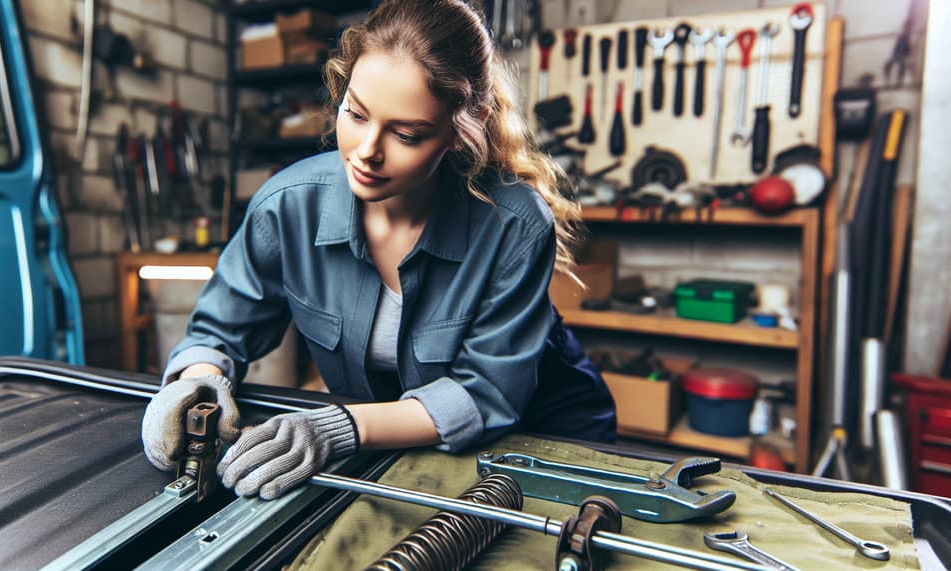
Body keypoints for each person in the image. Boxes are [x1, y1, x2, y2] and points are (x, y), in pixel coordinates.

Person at [141, 0, 616, 500]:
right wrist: (197, 382)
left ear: (459, 132)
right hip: (403, 437)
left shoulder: (515, 224)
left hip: (550, 429)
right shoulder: (287, 207)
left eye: (406, 134)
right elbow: (219, 329)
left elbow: (486, 392)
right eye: (356, 113)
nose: (367, 150)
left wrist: (336, 428)